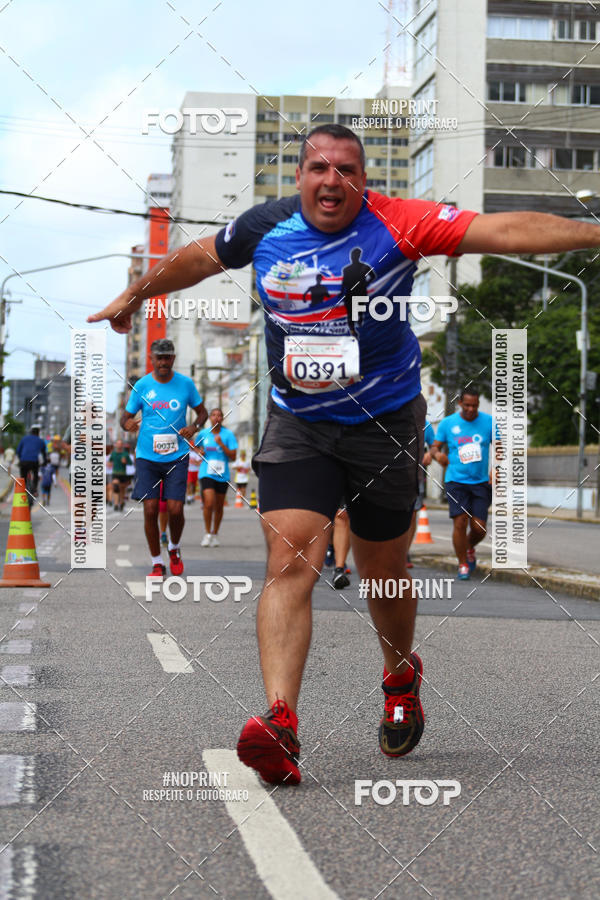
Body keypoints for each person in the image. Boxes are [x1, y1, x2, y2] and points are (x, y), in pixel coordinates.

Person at [89, 122, 600, 786]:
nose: (333, 180)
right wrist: (139, 292)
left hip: (383, 424)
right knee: (289, 561)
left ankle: (398, 675)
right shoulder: (264, 228)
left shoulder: (400, 223)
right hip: (299, 423)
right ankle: (280, 720)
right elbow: (201, 257)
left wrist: (592, 232)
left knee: (383, 567)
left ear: (364, 180)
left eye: (348, 170)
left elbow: (500, 231)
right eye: (319, 168)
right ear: (300, 177)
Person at [120, 338, 207, 577]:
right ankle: (157, 562)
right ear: (152, 359)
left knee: (176, 509)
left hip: (176, 455)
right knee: (150, 509)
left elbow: (202, 413)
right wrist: (127, 424)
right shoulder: (142, 385)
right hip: (147, 456)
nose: (163, 362)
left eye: (168, 357)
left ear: (173, 359)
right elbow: (124, 417)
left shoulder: (186, 384)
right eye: (159, 358)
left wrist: (194, 427)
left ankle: (174, 548)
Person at [431, 389, 496, 580]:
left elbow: (500, 447)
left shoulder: (489, 422)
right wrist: (438, 455)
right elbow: (435, 447)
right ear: (460, 403)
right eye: (467, 405)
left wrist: (496, 468)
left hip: (481, 482)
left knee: (479, 528)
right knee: (460, 522)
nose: (470, 409)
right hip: (455, 481)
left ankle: (467, 548)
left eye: (474, 405)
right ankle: (462, 564)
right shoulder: (448, 423)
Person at [196, 408, 237, 547]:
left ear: (222, 419)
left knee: (219, 506)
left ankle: (215, 534)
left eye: (219, 415)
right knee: (208, 503)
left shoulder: (228, 435)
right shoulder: (203, 433)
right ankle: (207, 533)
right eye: (213, 415)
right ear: (210, 418)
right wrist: (199, 451)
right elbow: (195, 447)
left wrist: (221, 444)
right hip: (206, 472)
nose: (216, 417)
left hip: (222, 474)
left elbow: (233, 456)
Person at [406, 420, 436, 568]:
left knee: (411, 514)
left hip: (415, 477)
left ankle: (404, 552)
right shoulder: (389, 418)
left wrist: (430, 454)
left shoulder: (425, 424)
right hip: (390, 475)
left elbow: (434, 446)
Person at [17, 424, 47, 499]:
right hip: (34, 462)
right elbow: (44, 454)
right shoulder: (41, 441)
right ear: (38, 433)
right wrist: (44, 463)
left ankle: (22, 491)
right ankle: (34, 490)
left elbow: (18, 451)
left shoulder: (24, 439)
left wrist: (21, 459)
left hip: (24, 461)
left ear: (31, 432)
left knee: (23, 477)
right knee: (36, 475)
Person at [109, 439, 133, 512]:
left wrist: (125, 462)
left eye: (120, 444)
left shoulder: (125, 454)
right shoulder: (113, 453)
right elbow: (110, 461)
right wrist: (109, 464)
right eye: (118, 444)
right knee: (116, 487)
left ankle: (121, 502)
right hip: (115, 473)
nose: (119, 445)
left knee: (122, 490)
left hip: (123, 473)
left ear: (122, 445)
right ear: (116, 445)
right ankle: (116, 504)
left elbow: (130, 463)